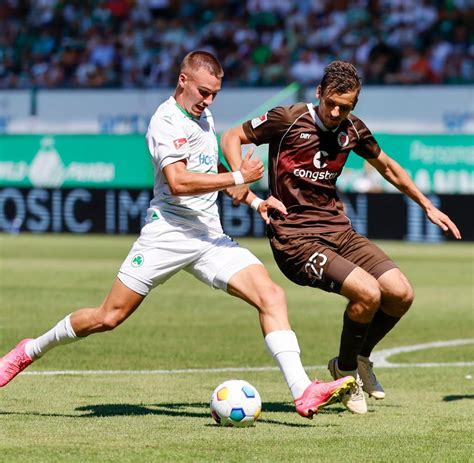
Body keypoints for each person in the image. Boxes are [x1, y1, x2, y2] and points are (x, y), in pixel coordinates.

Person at [0, 51, 355, 419]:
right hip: (167, 233)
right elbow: (179, 181)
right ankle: (28, 350)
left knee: (271, 295)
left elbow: (207, 165)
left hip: (208, 236)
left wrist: (253, 200)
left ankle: (303, 392)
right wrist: (238, 177)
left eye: (215, 94)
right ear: (182, 80)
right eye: (203, 92)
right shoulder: (165, 121)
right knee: (108, 317)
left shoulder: (204, 116)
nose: (209, 100)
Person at [221, 60, 461, 415]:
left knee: (400, 293)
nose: (335, 112)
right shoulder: (287, 119)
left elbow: (389, 167)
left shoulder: (354, 130)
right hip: (296, 239)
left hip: (338, 231)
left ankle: (357, 358)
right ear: (319, 92)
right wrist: (241, 178)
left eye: (345, 107)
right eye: (330, 102)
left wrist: (426, 204)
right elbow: (231, 136)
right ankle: (347, 372)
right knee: (367, 292)